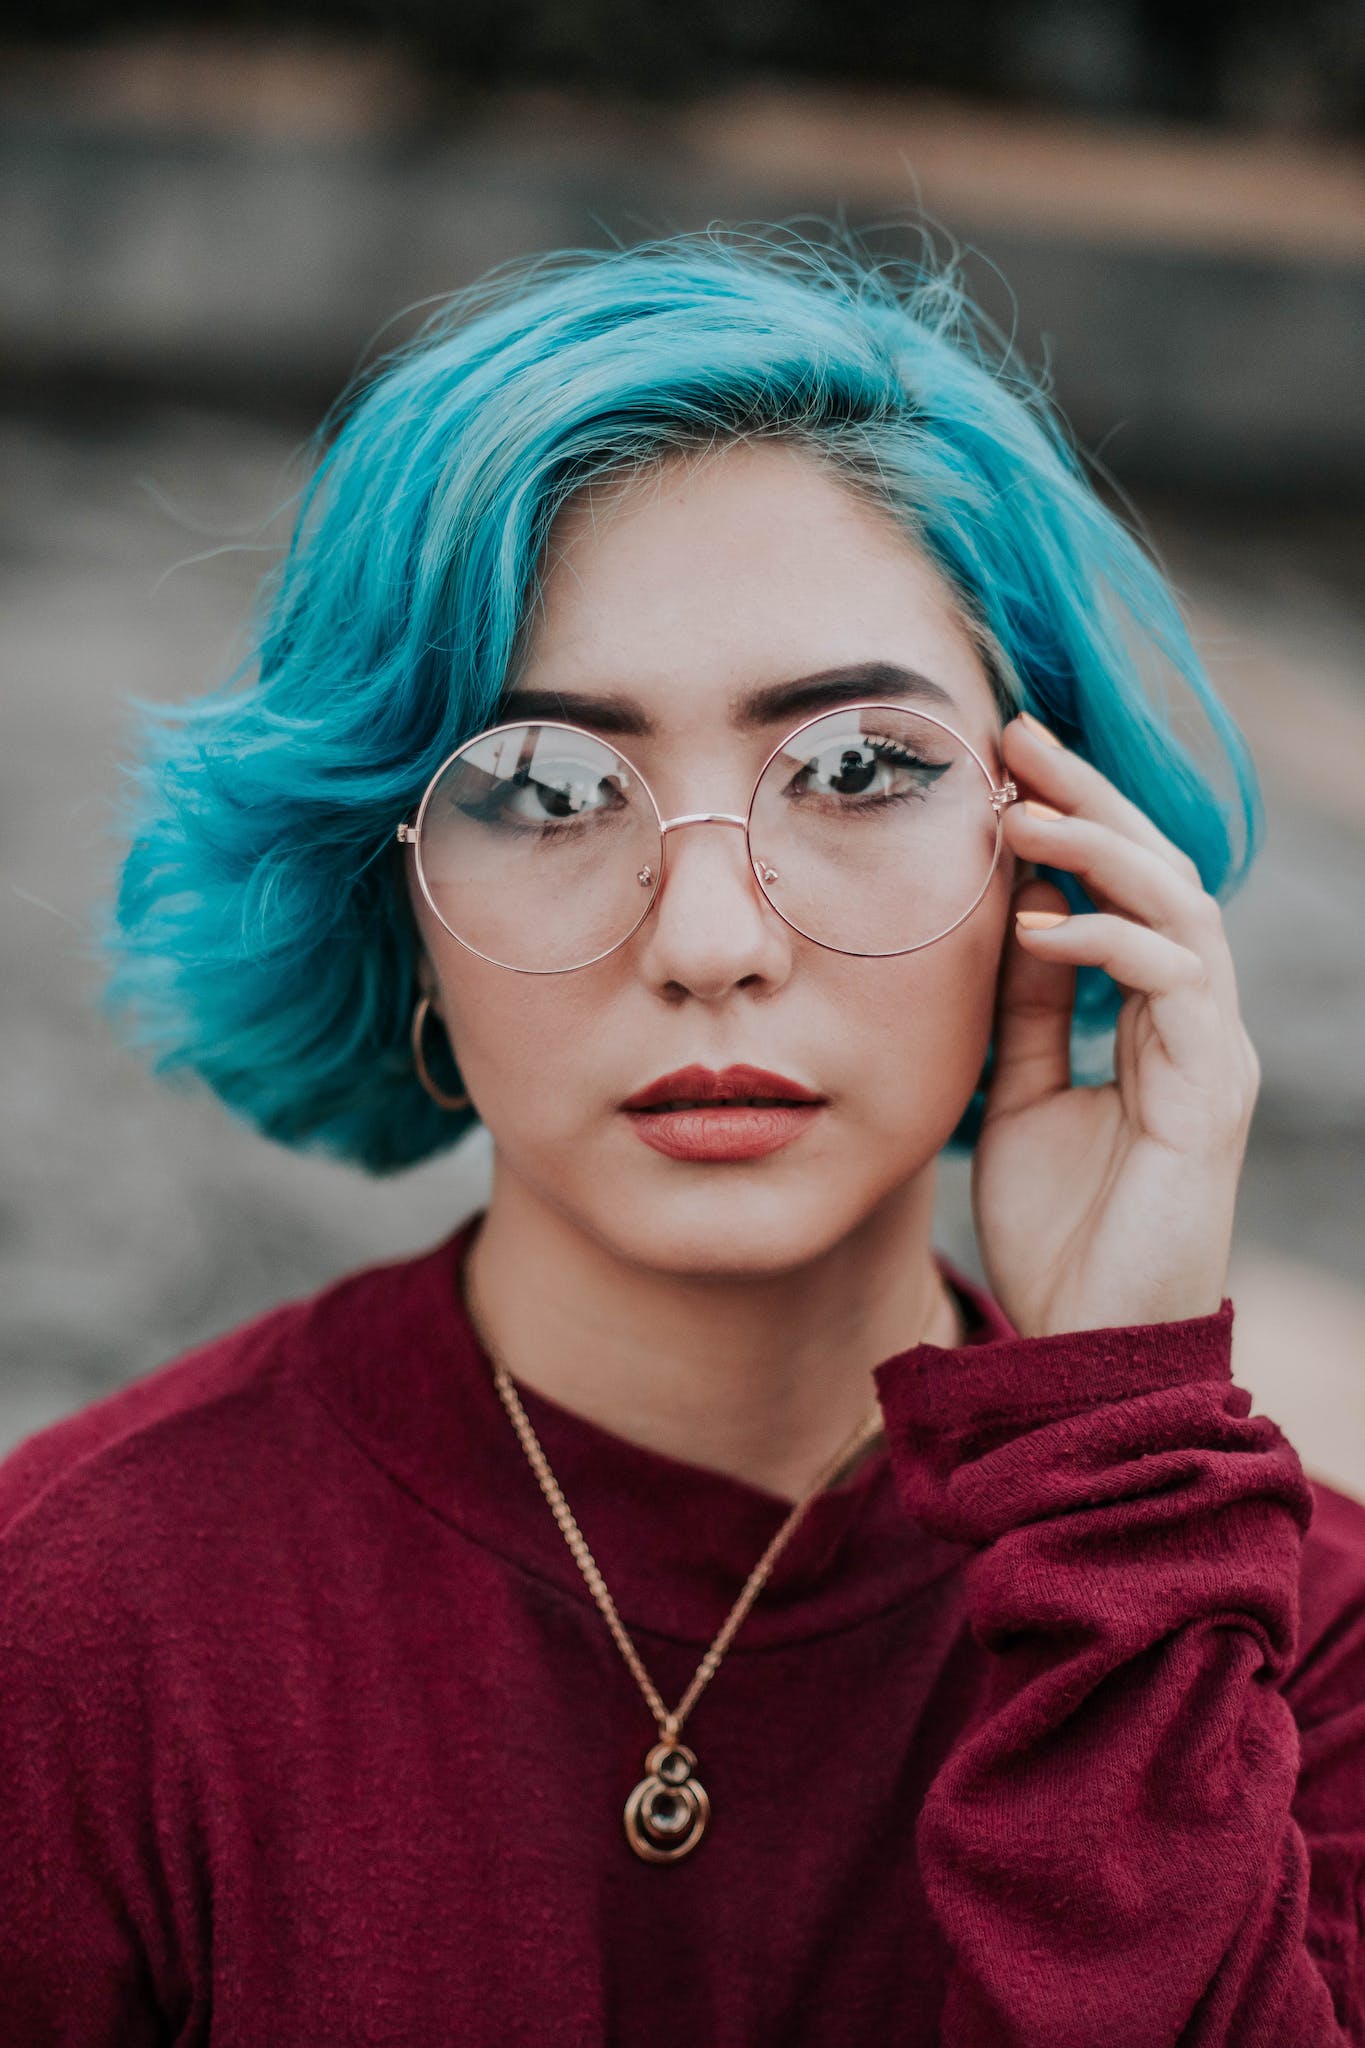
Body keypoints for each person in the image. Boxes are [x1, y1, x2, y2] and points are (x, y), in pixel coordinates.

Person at [2, 227, 1361, 2046]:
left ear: (1049, 856)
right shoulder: (75, 1621)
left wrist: (1113, 1463)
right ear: (396, 901)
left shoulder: (1302, 1651)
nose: (710, 942)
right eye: (545, 788)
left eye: (857, 769)